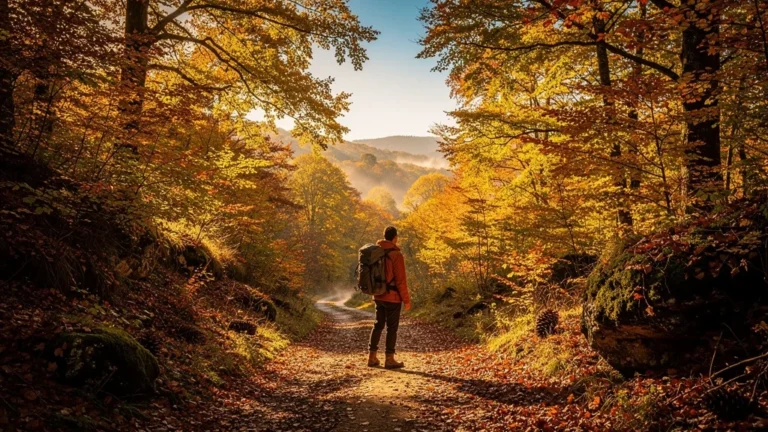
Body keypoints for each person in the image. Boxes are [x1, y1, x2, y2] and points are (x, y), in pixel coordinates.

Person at [367, 226, 411, 369]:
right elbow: (400, 280)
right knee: (392, 328)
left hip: (378, 295)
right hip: (392, 297)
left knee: (378, 325)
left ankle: (372, 357)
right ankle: (389, 359)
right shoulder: (396, 255)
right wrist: (406, 300)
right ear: (395, 238)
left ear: (384, 236)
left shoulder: (376, 252)